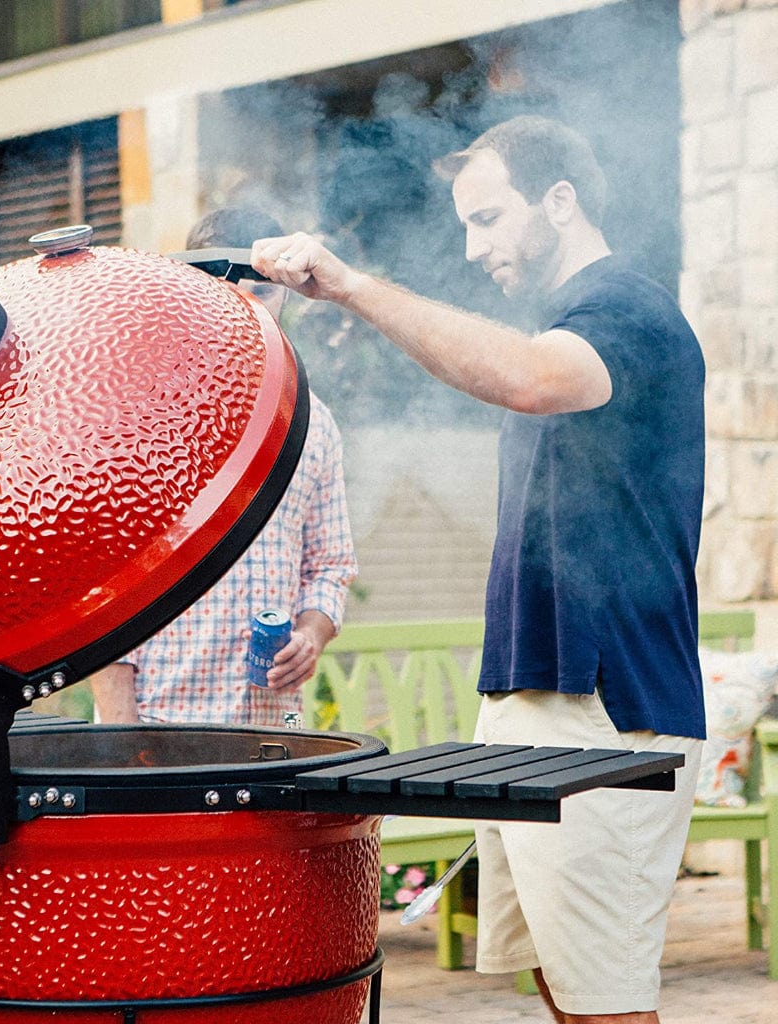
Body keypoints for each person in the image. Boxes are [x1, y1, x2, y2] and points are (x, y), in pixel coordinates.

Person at [251, 116, 705, 1024]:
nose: (471, 247)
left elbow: (531, 378)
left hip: (607, 708)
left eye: (488, 219)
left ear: (560, 200)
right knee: (560, 982)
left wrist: (354, 287)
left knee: (608, 1001)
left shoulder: (625, 308)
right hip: (538, 699)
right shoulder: (565, 323)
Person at [91, 206, 357, 727]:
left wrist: (310, 635)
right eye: (222, 289)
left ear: (286, 297)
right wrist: (124, 737)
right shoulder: (137, 417)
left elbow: (330, 566)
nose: (244, 307)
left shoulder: (313, 423)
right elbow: (104, 585)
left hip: (271, 729)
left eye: (263, 292)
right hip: (157, 726)